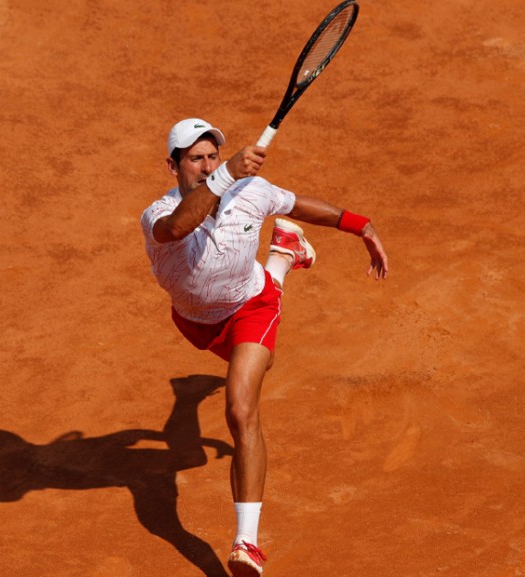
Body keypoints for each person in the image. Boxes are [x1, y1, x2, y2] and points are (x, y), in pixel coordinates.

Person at [140, 118, 389, 576]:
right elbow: (178, 228)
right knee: (193, 450)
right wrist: (225, 175)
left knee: (241, 408)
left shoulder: (250, 191)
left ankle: (247, 542)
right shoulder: (159, 212)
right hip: (196, 322)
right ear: (173, 167)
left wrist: (362, 225)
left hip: (250, 308)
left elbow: (297, 203)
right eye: (195, 159)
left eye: (212, 157)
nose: (206, 165)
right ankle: (284, 255)